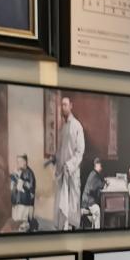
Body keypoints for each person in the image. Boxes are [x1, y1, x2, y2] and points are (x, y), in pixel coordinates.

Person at [48, 95, 85, 231]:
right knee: (61, 204)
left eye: (65, 105)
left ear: (71, 106)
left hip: (72, 172)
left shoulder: (77, 126)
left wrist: (69, 165)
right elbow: (61, 150)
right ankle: (62, 230)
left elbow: (80, 151)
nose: (63, 108)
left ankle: (71, 230)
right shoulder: (63, 128)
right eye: (61, 105)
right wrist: (55, 158)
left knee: (72, 204)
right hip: (62, 172)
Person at [9, 153, 36, 232]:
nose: (18, 163)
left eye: (19, 161)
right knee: (18, 215)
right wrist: (15, 177)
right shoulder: (21, 170)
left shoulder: (29, 173)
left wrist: (20, 181)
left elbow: (30, 187)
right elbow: (16, 182)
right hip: (20, 197)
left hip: (26, 199)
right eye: (17, 162)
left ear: (25, 162)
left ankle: (25, 226)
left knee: (24, 216)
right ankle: (22, 225)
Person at [81, 157, 105, 230]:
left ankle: (94, 227)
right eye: (100, 165)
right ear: (96, 165)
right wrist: (104, 184)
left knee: (97, 209)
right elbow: (95, 187)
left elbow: (99, 184)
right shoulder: (94, 174)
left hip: (88, 200)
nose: (101, 167)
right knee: (97, 210)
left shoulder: (94, 173)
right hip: (87, 201)